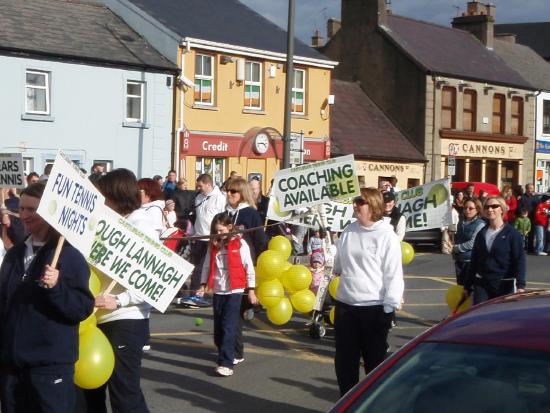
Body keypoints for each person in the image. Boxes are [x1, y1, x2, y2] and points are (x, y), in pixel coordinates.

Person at [0, 182, 94, 412]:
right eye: (22, 208)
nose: (24, 215)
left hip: (49, 366)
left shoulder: (69, 256)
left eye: (32, 210)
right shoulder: (15, 253)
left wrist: (56, 286)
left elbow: (81, 308)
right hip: (12, 366)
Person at [84, 169, 155, 413]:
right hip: (97, 317)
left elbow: (153, 279)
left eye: (103, 195)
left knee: (124, 393)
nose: (100, 201)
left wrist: (121, 299)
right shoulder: (109, 222)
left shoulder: (141, 226)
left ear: (116, 195)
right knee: (90, 391)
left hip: (126, 319)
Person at [333, 187, 404, 396]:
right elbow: (339, 265)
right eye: (355, 202)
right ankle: (347, 403)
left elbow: (393, 275)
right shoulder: (349, 230)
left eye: (360, 202)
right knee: (345, 363)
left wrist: (389, 308)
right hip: (346, 305)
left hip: (373, 307)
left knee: (374, 363)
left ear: (373, 207)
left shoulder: (386, 236)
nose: (355, 206)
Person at [196, 213, 257, 377]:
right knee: (219, 330)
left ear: (230, 228)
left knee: (228, 326)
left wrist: (251, 290)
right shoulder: (214, 246)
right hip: (218, 290)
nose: (219, 234)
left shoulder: (240, 244)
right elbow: (207, 267)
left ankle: (226, 363)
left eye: (222, 230)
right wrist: (202, 285)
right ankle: (229, 350)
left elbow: (249, 267)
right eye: (216, 231)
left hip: (234, 291)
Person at [225, 178, 267, 363]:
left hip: (242, 270)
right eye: (227, 191)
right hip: (224, 269)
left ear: (241, 193)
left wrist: (254, 266)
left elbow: (260, 242)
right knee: (224, 313)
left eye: (233, 191)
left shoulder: (251, 214)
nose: (228, 194)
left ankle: (235, 352)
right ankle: (226, 346)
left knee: (233, 313)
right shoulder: (223, 214)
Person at [463, 196, 526, 305]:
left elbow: (519, 260)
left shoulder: (512, 234)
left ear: (502, 209)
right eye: (487, 207)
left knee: (501, 319)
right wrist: (467, 286)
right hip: (482, 283)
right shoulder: (481, 233)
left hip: (504, 283)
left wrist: (520, 286)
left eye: (494, 206)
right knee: (480, 317)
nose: (490, 209)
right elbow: (474, 260)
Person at [189, 174, 226, 294]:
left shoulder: (219, 198)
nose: (198, 188)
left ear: (209, 185)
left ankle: (200, 292)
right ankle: (195, 292)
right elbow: (197, 217)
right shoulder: (199, 197)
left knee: (207, 267)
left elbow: (222, 218)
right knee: (198, 267)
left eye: (200, 186)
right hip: (199, 237)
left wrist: (219, 236)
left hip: (212, 238)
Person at [452, 198, 485, 286]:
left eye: (470, 208)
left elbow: (472, 243)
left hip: (470, 261)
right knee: (460, 287)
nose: (467, 210)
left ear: (477, 210)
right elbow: (457, 238)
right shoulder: (461, 222)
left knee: (469, 288)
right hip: (459, 260)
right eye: (465, 208)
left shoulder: (480, 224)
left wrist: (456, 248)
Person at [518, 183, 537, 253]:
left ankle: (530, 248)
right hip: (524, 218)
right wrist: (522, 213)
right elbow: (519, 207)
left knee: (532, 233)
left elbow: (538, 206)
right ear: (526, 189)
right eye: (529, 188)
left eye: (532, 188)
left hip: (533, 218)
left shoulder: (535, 197)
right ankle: (522, 248)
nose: (530, 190)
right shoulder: (522, 197)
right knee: (523, 233)